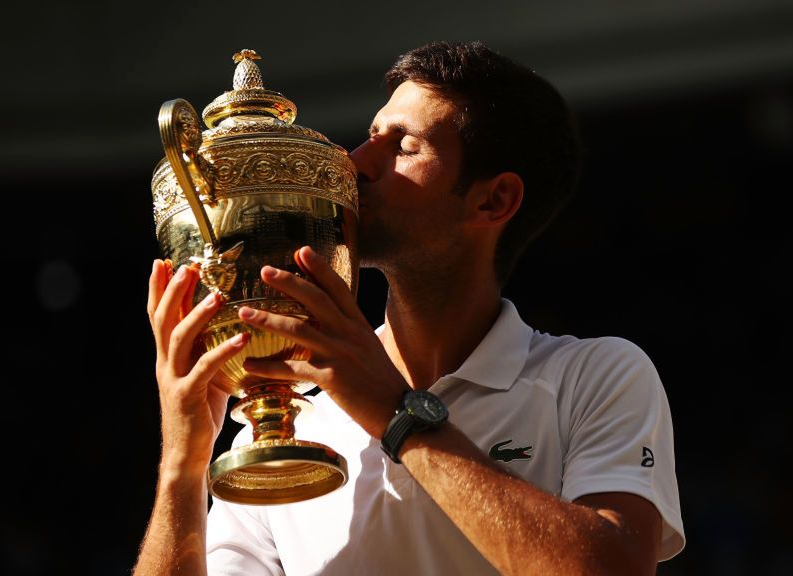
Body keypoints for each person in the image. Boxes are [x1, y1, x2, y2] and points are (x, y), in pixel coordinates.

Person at [134, 41, 685, 575]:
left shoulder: (596, 377)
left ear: (493, 200)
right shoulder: (287, 426)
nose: (356, 163)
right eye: (371, 135)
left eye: (403, 146)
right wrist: (183, 462)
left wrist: (398, 416)